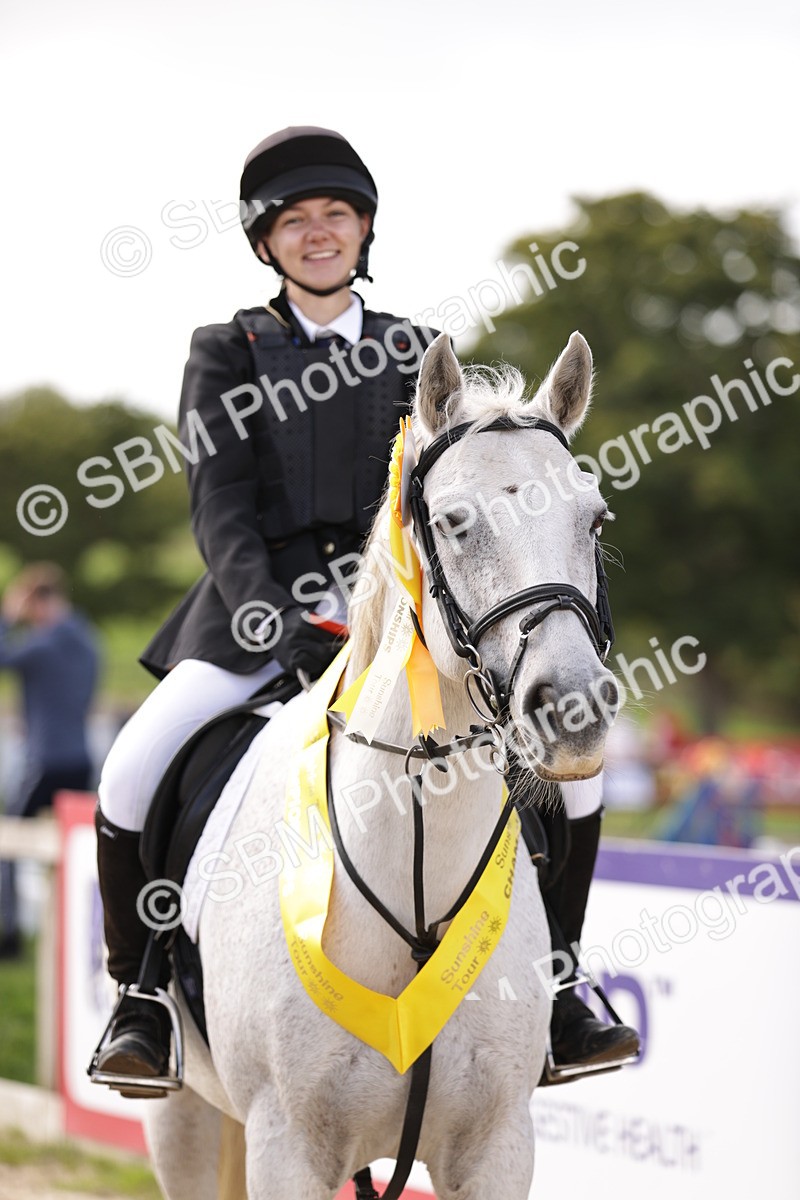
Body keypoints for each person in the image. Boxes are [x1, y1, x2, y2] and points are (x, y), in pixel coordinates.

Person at [93, 126, 638, 1089]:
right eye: (294, 221)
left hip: (400, 615)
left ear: (363, 230)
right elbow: (218, 509)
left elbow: (447, 503)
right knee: (134, 766)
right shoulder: (225, 350)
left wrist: (391, 615)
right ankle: (140, 996)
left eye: (334, 216)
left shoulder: (413, 352)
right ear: (267, 242)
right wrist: (278, 622)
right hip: (250, 612)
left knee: (578, 773)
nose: (317, 234)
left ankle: (560, 986)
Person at [0, 564, 99, 958]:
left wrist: (7, 616)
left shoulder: (44, 643)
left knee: (8, 842)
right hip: (79, 756)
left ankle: (8, 934)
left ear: (36, 601)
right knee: (73, 851)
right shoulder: (88, 638)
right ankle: (75, 940)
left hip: (43, 760)